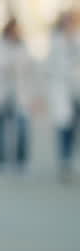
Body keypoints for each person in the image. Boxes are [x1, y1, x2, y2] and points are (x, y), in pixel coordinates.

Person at [0, 17, 37, 174]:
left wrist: (34, 97)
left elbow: (30, 72)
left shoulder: (23, 48)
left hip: (20, 95)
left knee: (22, 128)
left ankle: (21, 161)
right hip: (1, 94)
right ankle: (0, 161)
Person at [47, 11, 79, 182]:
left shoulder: (77, 39)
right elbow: (52, 69)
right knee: (64, 128)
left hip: (76, 92)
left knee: (75, 129)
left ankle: (73, 159)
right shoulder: (56, 42)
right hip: (63, 92)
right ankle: (64, 161)